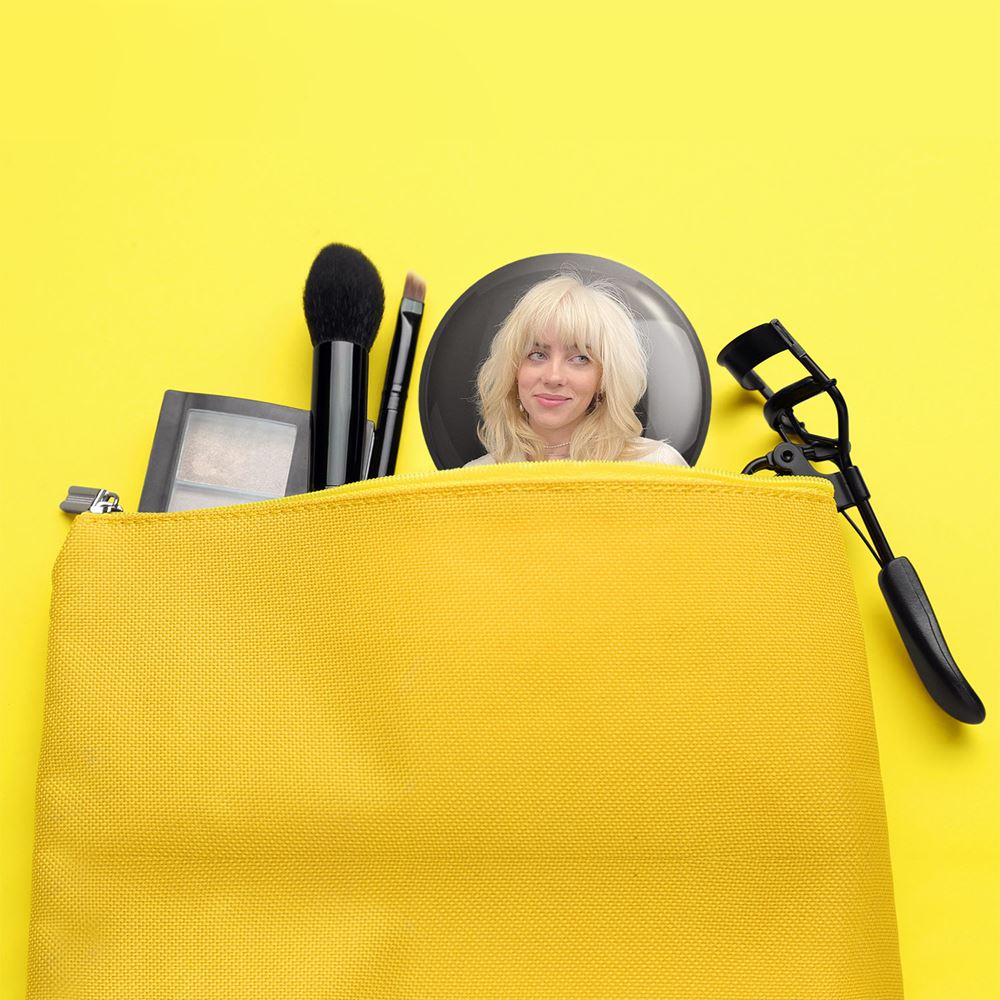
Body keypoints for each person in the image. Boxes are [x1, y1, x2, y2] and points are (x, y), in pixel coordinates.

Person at [464, 272, 689, 466]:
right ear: (513, 371)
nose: (553, 377)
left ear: (605, 378)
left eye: (580, 358)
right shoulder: (476, 479)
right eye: (537, 355)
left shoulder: (657, 466)